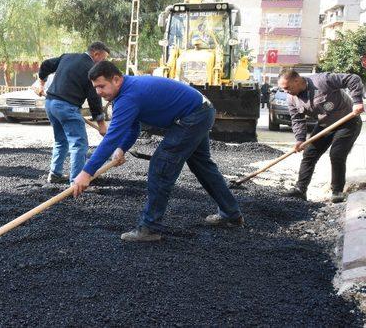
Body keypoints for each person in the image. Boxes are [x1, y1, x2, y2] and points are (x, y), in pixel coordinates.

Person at [72, 61, 243, 242]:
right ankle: (231, 214)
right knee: (202, 166)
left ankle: (150, 227)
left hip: (193, 116)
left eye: (101, 86)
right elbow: (132, 128)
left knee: (161, 166)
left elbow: (110, 139)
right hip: (201, 110)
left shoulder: (129, 96)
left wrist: (86, 172)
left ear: (116, 79)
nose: (98, 92)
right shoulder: (125, 92)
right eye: (95, 88)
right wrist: (121, 149)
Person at [279, 70, 363, 203]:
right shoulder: (291, 98)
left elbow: (353, 78)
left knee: (336, 154)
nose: (286, 92)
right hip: (325, 125)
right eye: (283, 89)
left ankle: (337, 191)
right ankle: (300, 190)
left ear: (297, 80)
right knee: (309, 154)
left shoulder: (323, 80)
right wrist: (300, 139)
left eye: (287, 88)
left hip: (348, 122)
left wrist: (357, 101)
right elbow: (297, 119)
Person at [37, 41, 110, 184]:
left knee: (61, 140)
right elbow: (94, 97)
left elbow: (46, 64)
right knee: (79, 144)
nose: (104, 62)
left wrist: (41, 82)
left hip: (51, 104)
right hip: (66, 107)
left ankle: (55, 173)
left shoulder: (67, 57)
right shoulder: (91, 69)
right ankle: (76, 182)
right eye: (104, 58)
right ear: (96, 54)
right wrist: (101, 124)